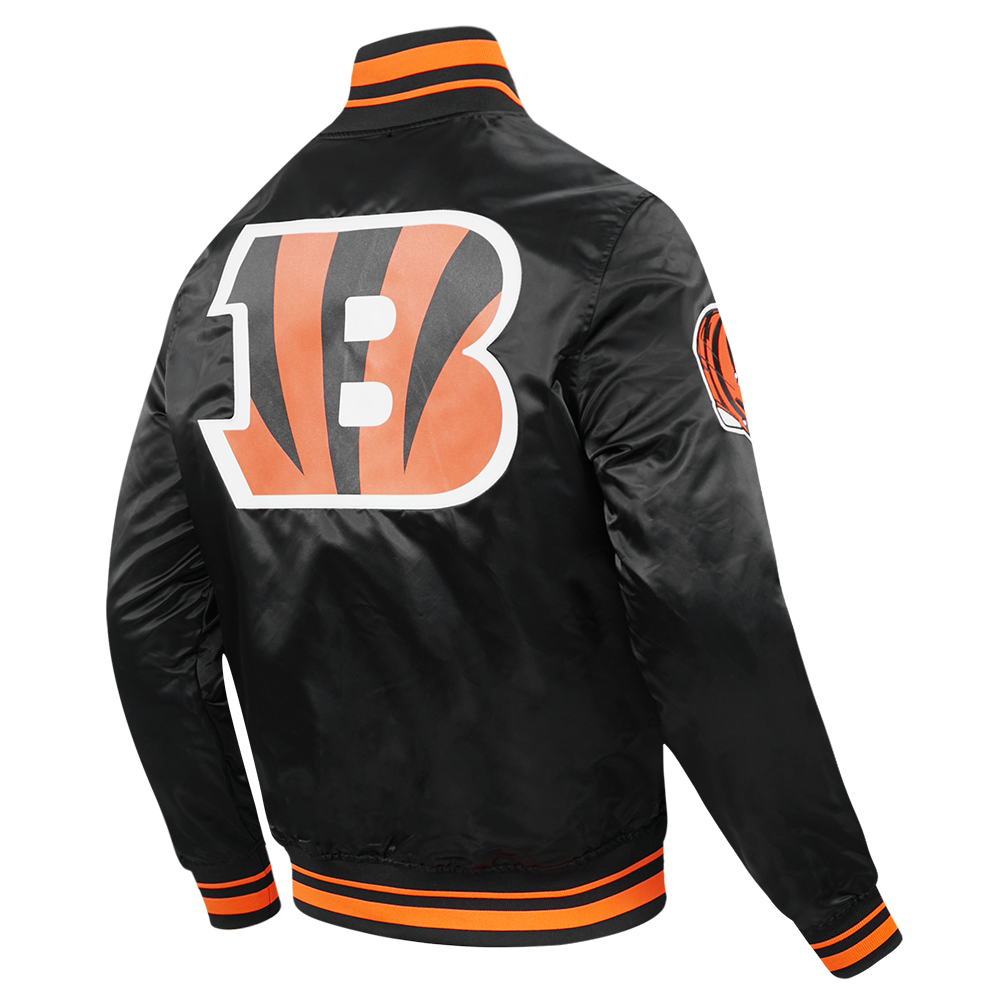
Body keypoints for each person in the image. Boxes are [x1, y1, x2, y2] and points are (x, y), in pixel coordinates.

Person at [108, 26, 894, 978]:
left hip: (315, 886)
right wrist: (827, 907)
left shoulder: (216, 268)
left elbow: (144, 605)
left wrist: (229, 870)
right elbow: (701, 582)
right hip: (578, 891)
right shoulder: (602, 230)